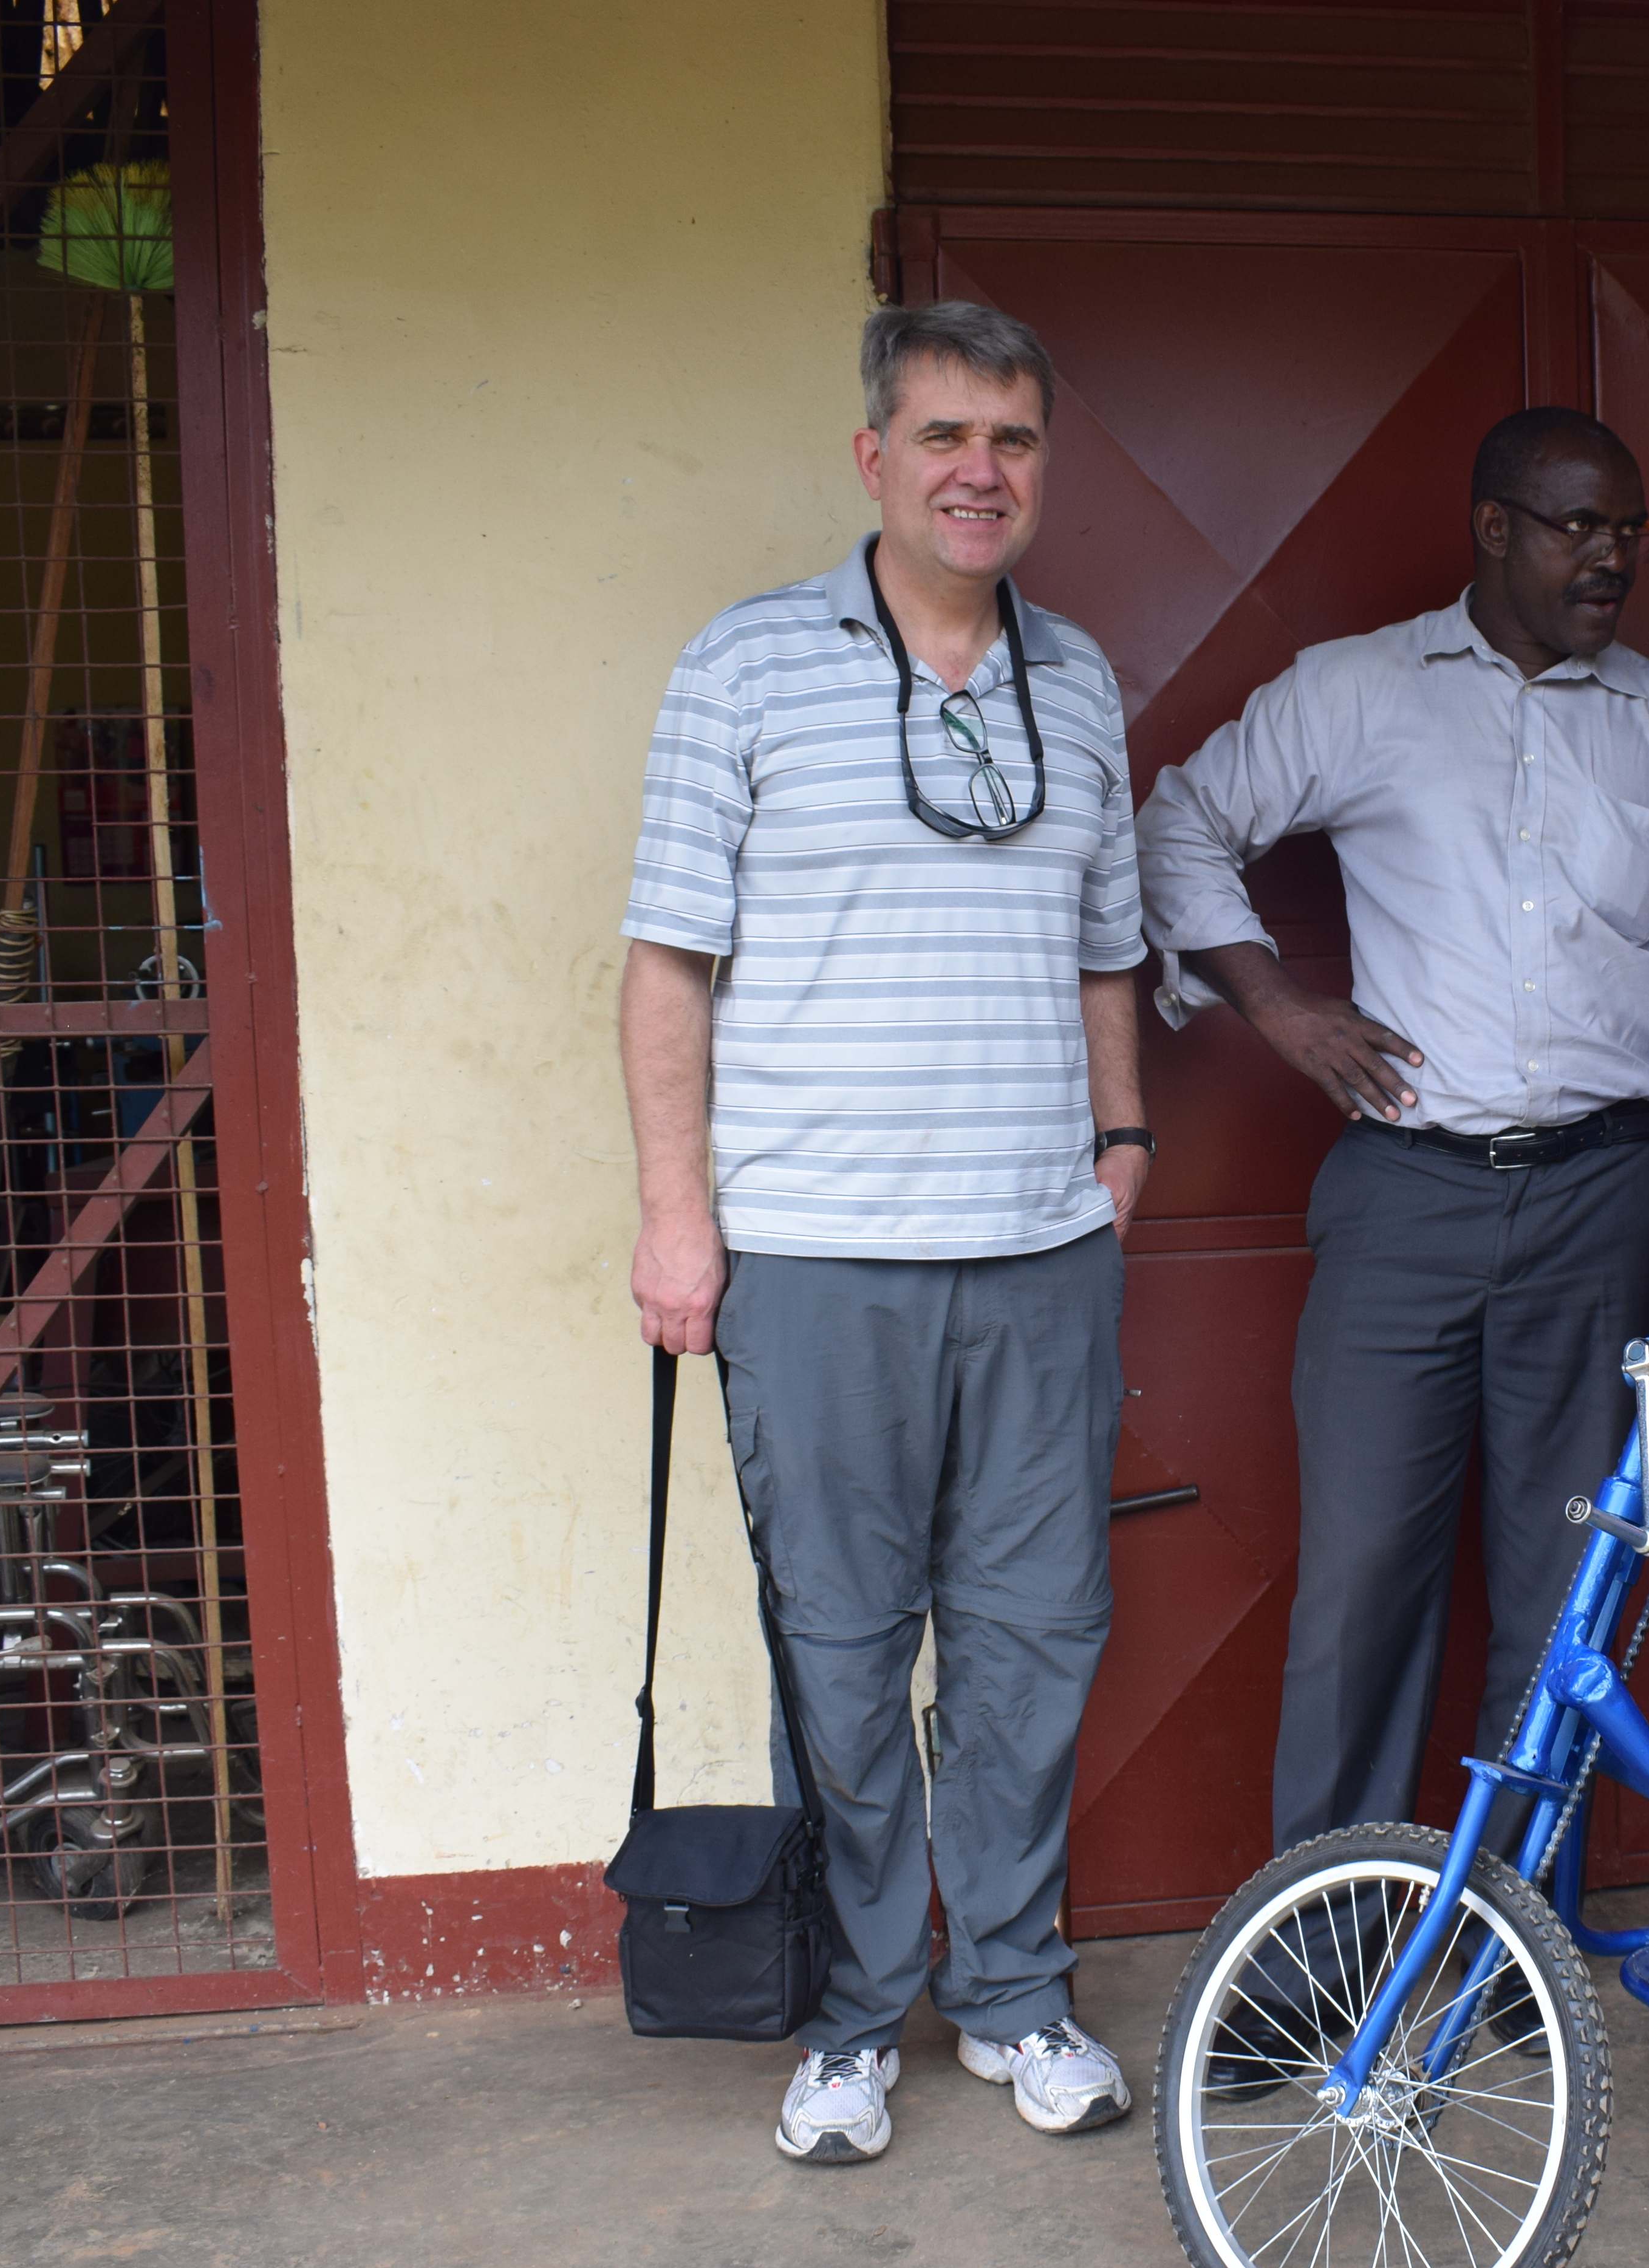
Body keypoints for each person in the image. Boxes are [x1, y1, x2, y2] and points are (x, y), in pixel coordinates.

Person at [618, 300, 1150, 2167]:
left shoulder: (1079, 679)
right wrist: (677, 1218)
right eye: (943, 436)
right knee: (840, 1650)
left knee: (1034, 1637)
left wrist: (1123, 1139)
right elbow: (668, 966)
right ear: (874, 458)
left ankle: (1011, 1991)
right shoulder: (748, 667)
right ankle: (851, 2023)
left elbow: (1107, 948)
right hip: (818, 1255)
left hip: (1039, 1252)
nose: (979, 473)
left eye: (1012, 439)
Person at [1137, 406, 1649, 1858]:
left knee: (1565, 1591)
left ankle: (1516, 1936)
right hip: (1407, 1194)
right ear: (1495, 528)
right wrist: (1280, 1005)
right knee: (1362, 1584)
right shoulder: (1360, 689)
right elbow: (1177, 822)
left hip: (1603, 1198)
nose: (1612, 556)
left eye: (1632, 529)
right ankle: (1326, 1937)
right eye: (1580, 526)